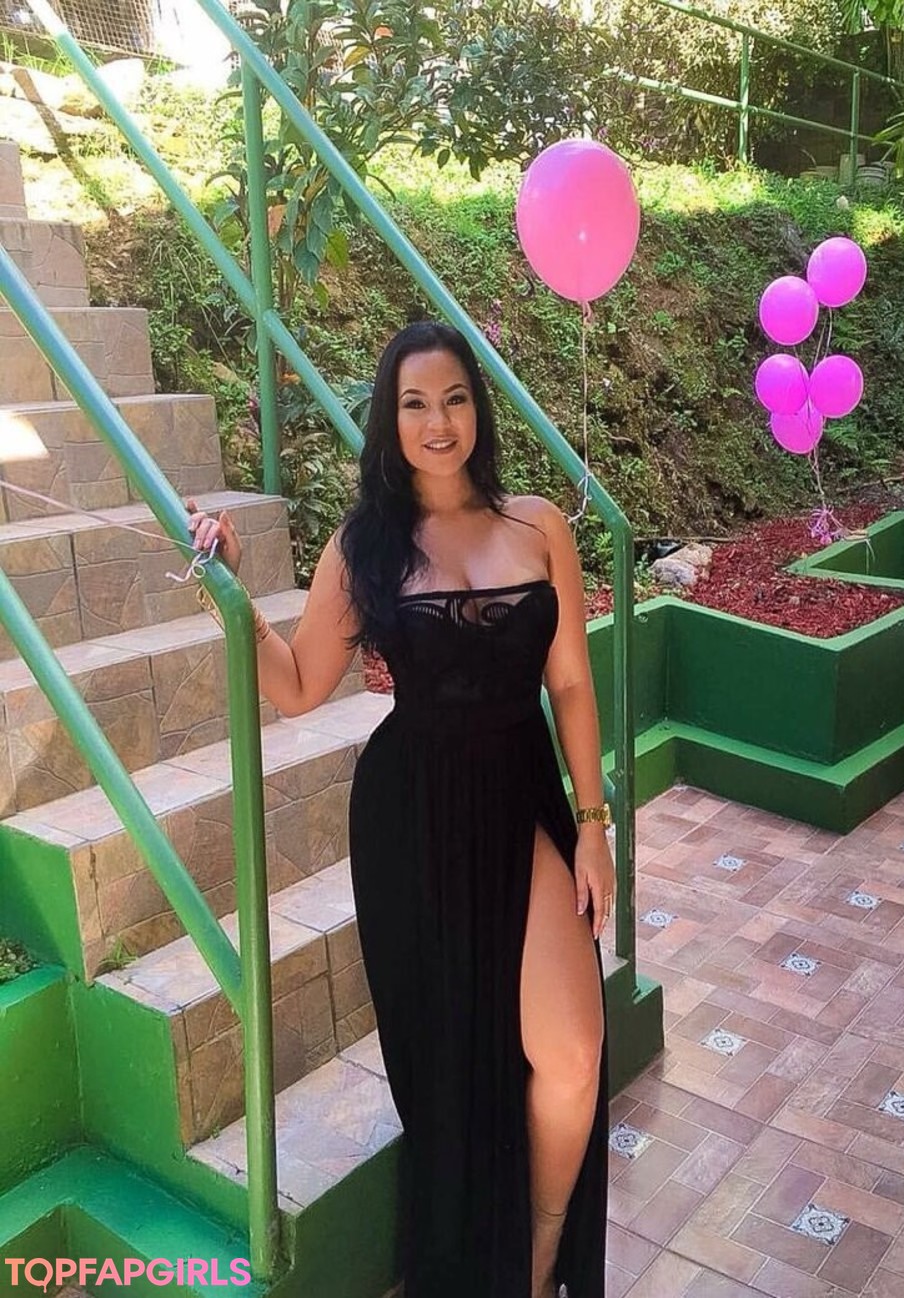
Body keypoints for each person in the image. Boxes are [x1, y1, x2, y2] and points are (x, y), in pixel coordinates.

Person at [186, 320, 614, 1297]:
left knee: (573, 1051)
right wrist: (228, 591)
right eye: (415, 403)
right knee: (451, 1065)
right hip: (411, 815)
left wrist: (593, 824)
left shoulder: (540, 524)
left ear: (479, 408)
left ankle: (534, 1266)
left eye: (454, 398)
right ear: (390, 419)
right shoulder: (366, 545)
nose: (438, 421)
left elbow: (571, 684)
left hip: (522, 794)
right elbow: (298, 685)